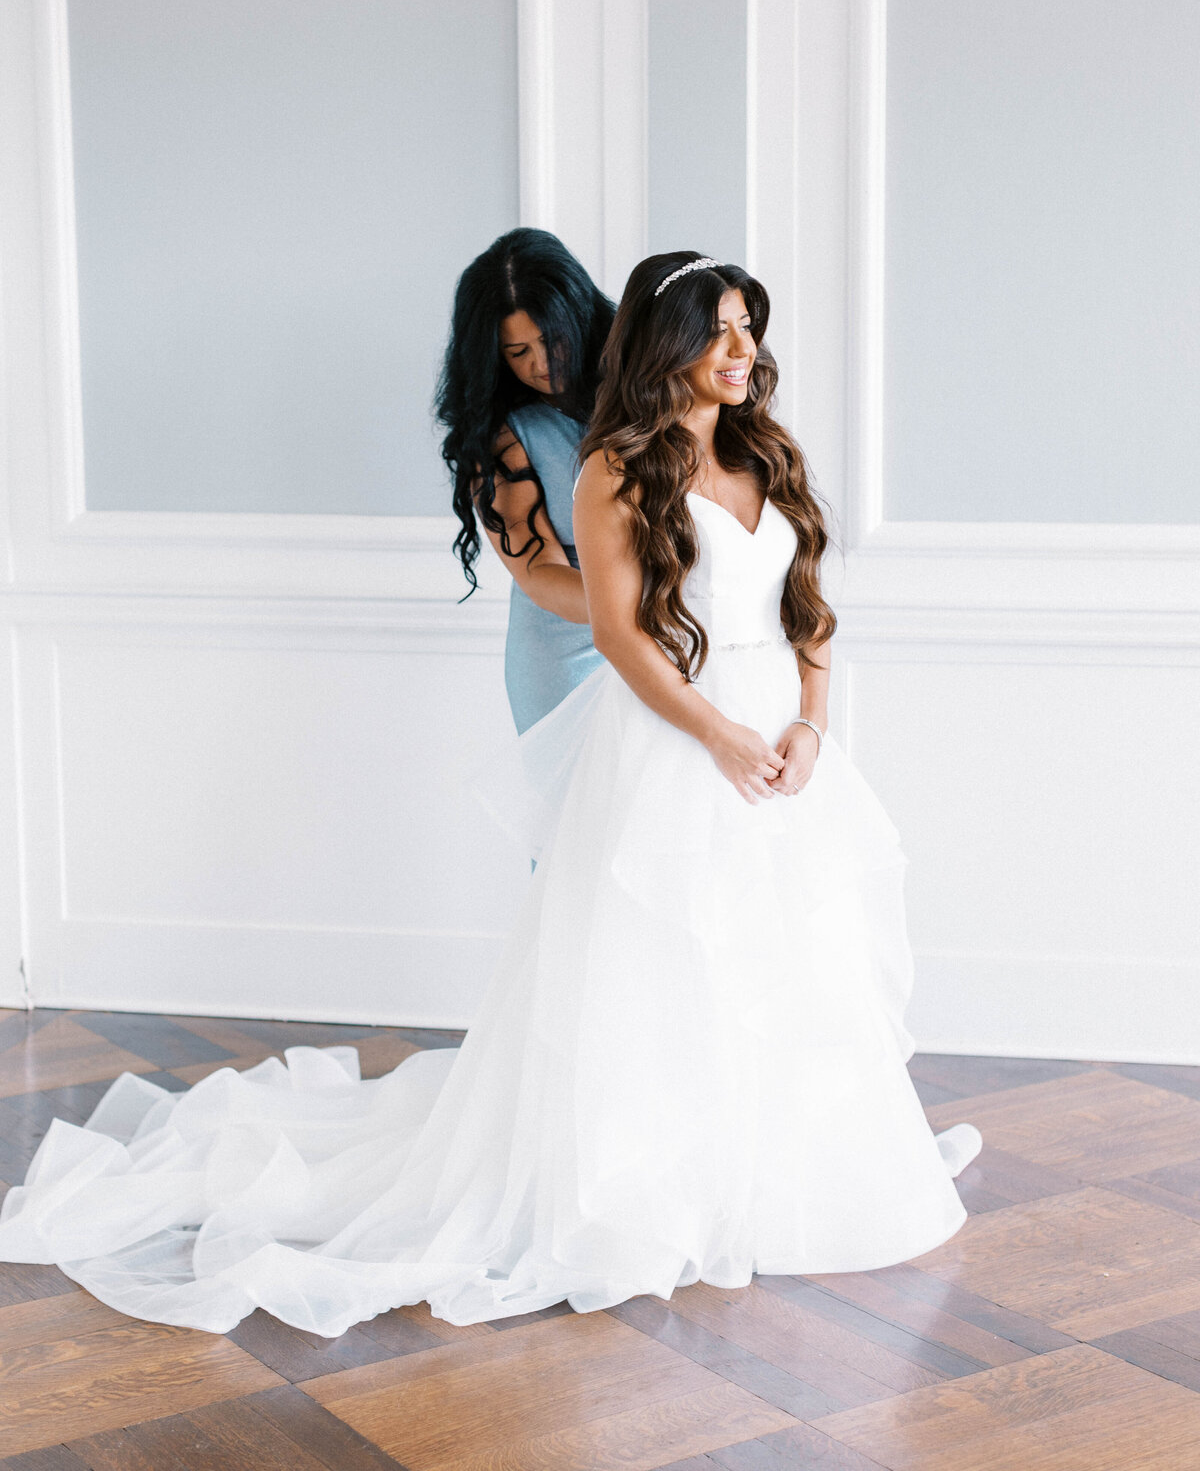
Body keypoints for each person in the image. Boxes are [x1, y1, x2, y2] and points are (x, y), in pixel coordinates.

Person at [0, 252, 981, 1334]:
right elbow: (614, 629)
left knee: (785, 948)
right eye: (722, 332)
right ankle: (648, 1182)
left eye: (751, 328)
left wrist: (809, 725)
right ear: (669, 347)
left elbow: (810, 609)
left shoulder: (768, 456)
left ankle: (778, 1167)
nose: (746, 352)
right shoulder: (614, 467)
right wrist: (717, 733)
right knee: (655, 948)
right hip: (678, 731)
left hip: (781, 745)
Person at [435, 227, 612, 732]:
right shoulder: (501, 437)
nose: (541, 364)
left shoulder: (643, 392)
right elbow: (539, 571)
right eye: (518, 353)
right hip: (567, 658)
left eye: (552, 340)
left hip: (675, 642)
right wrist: (644, 616)